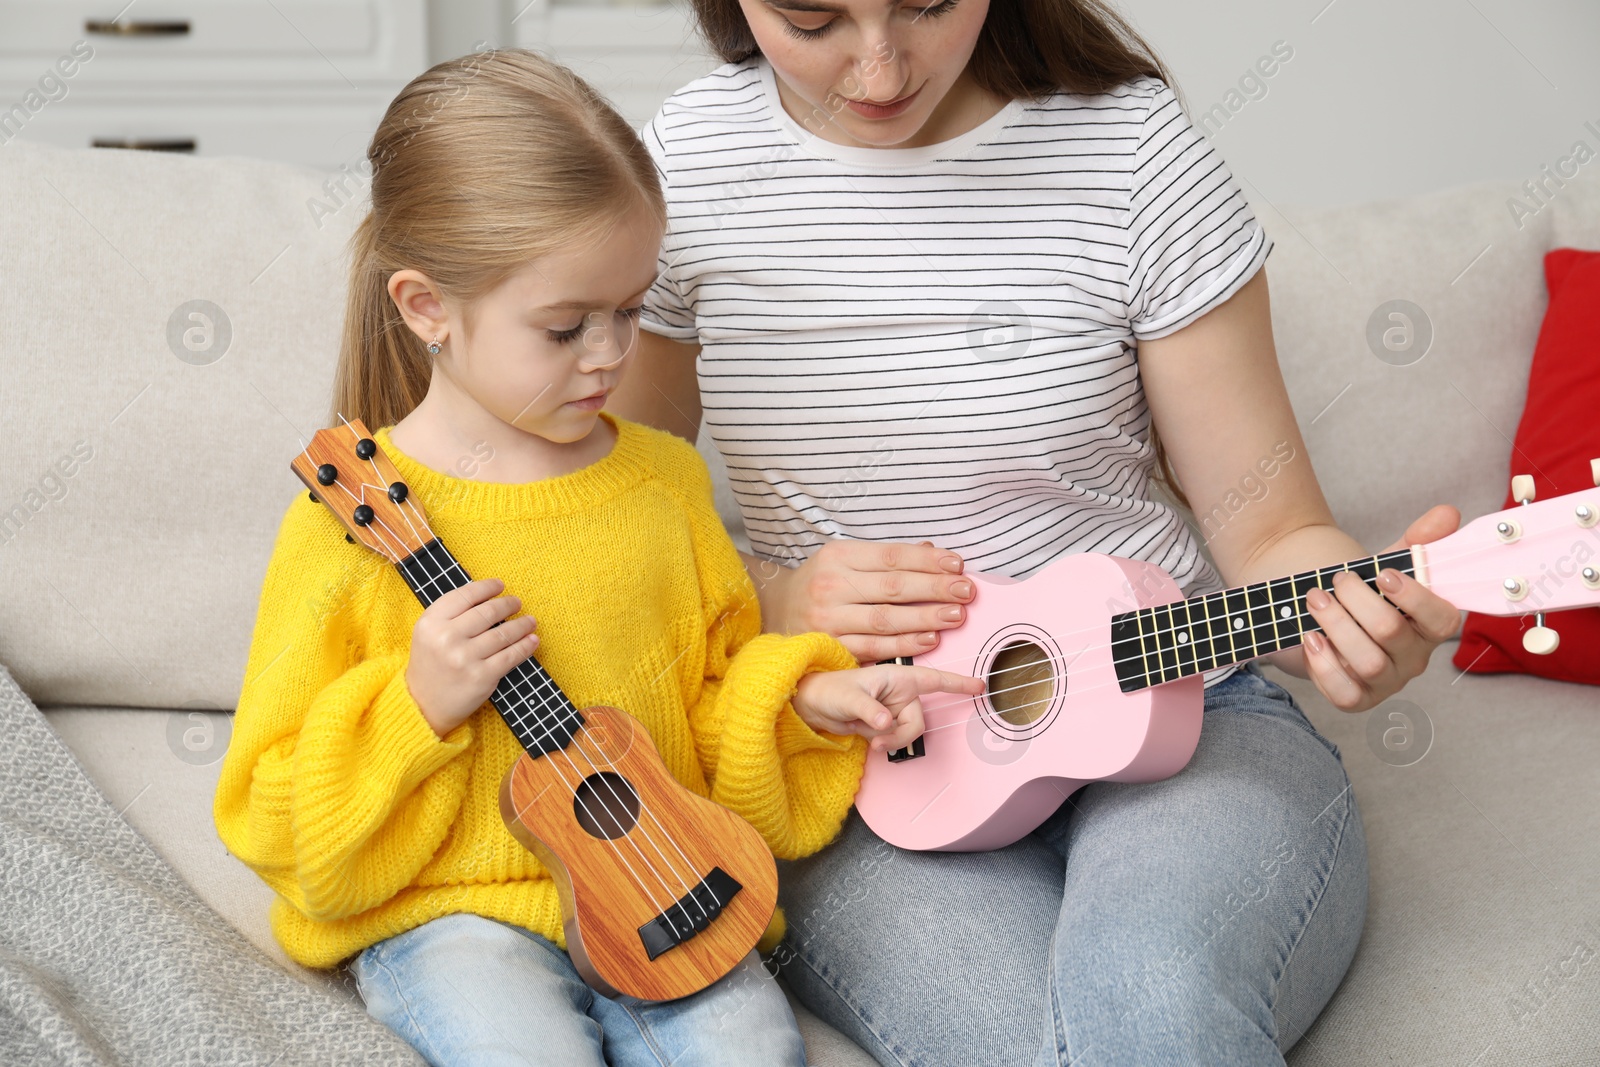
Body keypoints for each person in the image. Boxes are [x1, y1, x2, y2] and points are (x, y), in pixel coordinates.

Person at [607, 0, 1465, 1062]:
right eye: (814, 17)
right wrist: (771, 595)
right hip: (855, 755)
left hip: (1181, 703)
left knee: (1153, 1000)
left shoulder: (1135, 153)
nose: (877, 69)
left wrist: (1357, 615)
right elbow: (613, 529)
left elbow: (1274, 534)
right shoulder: (685, 164)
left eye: (925, 5)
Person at [211, 48, 983, 1067]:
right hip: (456, 913)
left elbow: (706, 716)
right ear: (426, 307)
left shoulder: (662, 481)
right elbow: (268, 813)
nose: (611, 355)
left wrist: (796, 703)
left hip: (659, 882)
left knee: (755, 1047)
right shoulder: (345, 529)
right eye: (566, 326)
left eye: (631, 309)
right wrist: (416, 708)